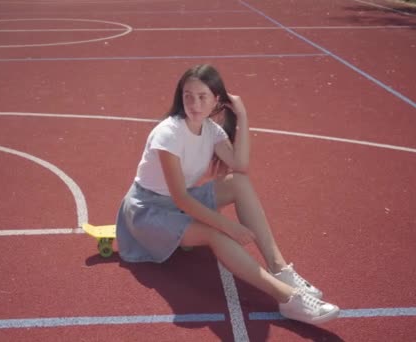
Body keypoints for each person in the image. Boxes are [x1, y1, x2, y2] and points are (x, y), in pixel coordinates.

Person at [115, 64, 339, 325]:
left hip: (176, 205)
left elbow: (240, 166)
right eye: (188, 95)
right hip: (148, 211)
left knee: (239, 183)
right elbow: (181, 199)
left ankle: (280, 269)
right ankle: (289, 299)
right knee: (215, 233)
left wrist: (242, 116)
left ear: (217, 100)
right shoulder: (169, 134)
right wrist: (229, 226)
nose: (194, 104)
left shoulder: (211, 130)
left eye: (202, 97)